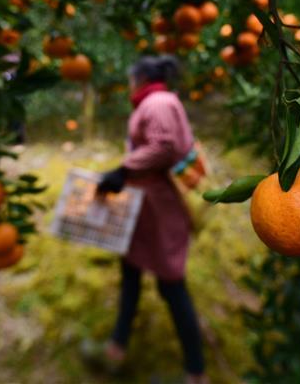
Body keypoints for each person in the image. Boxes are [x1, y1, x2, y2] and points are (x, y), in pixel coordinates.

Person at [96, 55, 206, 383]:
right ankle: (117, 345)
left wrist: (123, 169)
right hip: (145, 207)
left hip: (161, 208)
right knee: (129, 271)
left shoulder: (157, 102)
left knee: (171, 282)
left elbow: (164, 147)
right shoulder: (156, 101)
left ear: (140, 77)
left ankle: (196, 370)